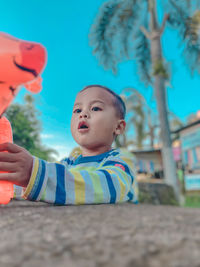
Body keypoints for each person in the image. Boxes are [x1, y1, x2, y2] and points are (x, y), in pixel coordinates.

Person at [0, 85, 138, 205]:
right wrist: (14, 181)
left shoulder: (120, 160)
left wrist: (34, 173)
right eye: (77, 110)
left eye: (95, 108)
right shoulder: (68, 163)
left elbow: (108, 186)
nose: (83, 114)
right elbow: (49, 185)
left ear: (118, 127)